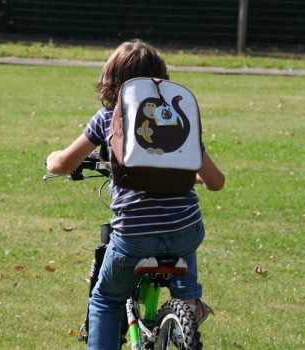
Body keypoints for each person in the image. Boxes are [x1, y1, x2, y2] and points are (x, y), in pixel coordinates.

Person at [46, 39, 225, 350]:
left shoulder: (107, 118)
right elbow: (216, 182)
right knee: (182, 229)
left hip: (134, 237)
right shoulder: (178, 121)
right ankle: (188, 296)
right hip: (186, 232)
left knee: (106, 297)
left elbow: (63, 164)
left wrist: (52, 158)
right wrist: (187, 176)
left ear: (111, 80)